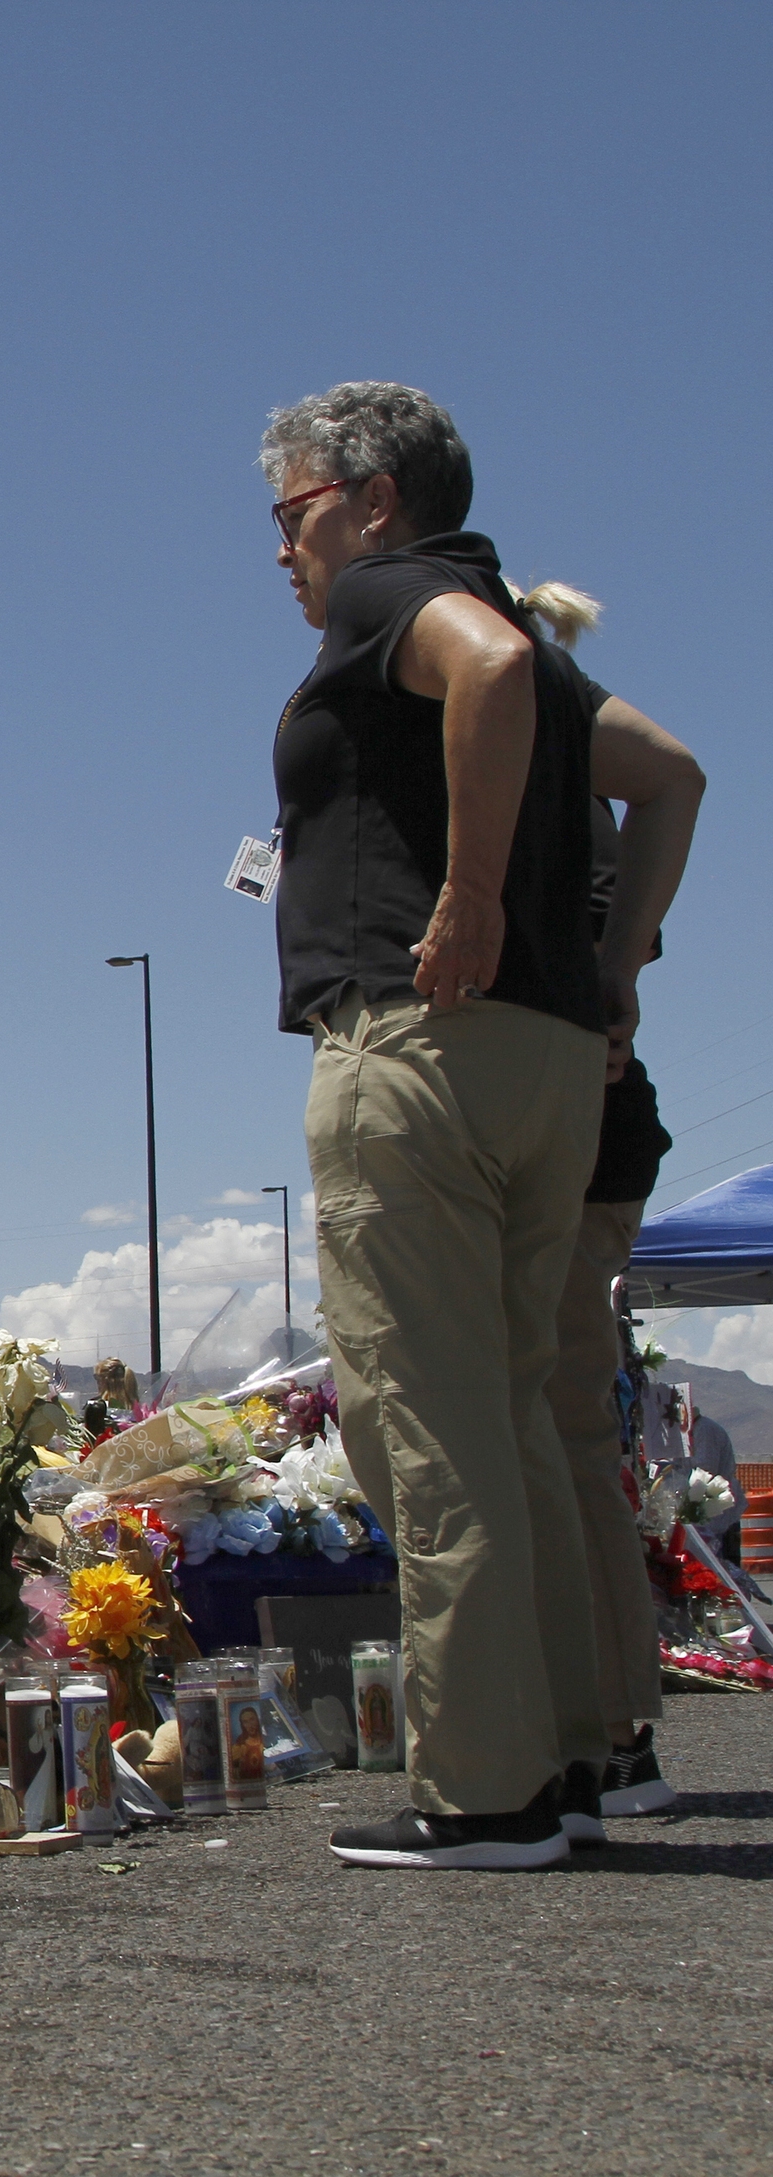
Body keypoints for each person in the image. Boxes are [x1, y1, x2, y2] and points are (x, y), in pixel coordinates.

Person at [259, 382, 635, 1870]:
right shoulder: (536, 640)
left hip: (418, 1047)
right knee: (519, 1421)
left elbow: (473, 668)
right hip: (541, 1059)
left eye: (287, 517)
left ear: (367, 500)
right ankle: (569, 1750)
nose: (279, 552)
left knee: (423, 1424)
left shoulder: (402, 599)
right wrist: (608, 971)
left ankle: (484, 1795)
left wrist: (466, 894)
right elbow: (666, 778)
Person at [533, 597, 705, 1833]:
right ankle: (606, 1730)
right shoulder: (581, 805)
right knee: (560, 1423)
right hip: (597, 1132)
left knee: (552, 1426)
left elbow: (608, 964)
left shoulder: (560, 796)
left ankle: (601, 1734)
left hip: (566, 1132)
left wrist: (600, 993)